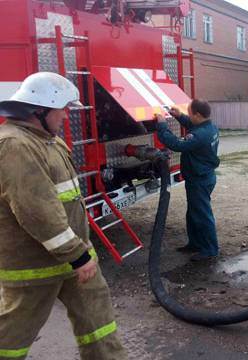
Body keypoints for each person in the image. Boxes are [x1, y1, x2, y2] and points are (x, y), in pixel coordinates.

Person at [0, 72, 127, 359]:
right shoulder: (14, 145)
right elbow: (37, 210)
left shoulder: (49, 141)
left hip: (75, 258)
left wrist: (79, 254)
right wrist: (77, 255)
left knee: (99, 325)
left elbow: (67, 201)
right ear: (40, 110)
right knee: (13, 335)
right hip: (35, 264)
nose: (67, 117)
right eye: (62, 109)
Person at [155, 99, 220, 262]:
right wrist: (180, 116)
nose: (188, 116)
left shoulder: (200, 135)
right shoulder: (209, 127)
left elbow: (176, 144)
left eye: (190, 113)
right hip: (202, 176)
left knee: (202, 214)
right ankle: (195, 243)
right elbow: (192, 126)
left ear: (198, 115)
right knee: (193, 212)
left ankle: (210, 249)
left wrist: (162, 125)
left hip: (200, 179)